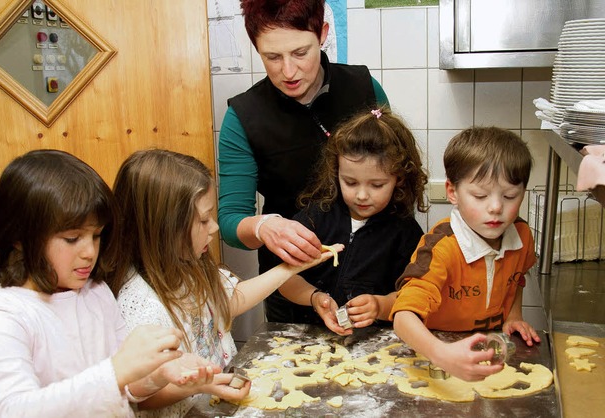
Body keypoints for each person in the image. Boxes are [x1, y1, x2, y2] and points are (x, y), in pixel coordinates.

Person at [0, 150, 219, 418]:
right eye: (73, 238)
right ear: (19, 237)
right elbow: (11, 411)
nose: (89, 252)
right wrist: (117, 370)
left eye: (96, 235)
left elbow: (122, 389)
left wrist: (155, 376)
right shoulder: (0, 318)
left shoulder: (95, 293)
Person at [109, 149, 342, 417]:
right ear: (163, 227)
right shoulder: (141, 305)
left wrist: (290, 268)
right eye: (204, 220)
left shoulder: (189, 266)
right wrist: (203, 385)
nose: (215, 228)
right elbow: (142, 396)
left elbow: (230, 300)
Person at [217, 0, 390, 323]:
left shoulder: (365, 89)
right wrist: (264, 225)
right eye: (272, 57)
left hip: (373, 286)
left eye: (300, 53)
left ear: (322, 34)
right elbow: (229, 221)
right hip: (292, 287)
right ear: (256, 46)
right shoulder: (243, 116)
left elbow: (395, 173)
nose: (289, 71)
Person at [391, 127, 542, 382]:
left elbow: (518, 278)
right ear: (453, 192)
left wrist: (514, 316)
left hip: (487, 350)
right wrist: (441, 354)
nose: (496, 208)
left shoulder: (522, 235)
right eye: (480, 196)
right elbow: (403, 316)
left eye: (509, 196)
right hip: (436, 350)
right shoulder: (441, 247)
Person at [278, 107, 428, 336]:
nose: (361, 195)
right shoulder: (316, 216)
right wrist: (314, 297)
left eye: (376, 185)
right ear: (336, 171)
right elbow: (283, 279)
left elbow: (415, 294)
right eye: (350, 182)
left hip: (377, 343)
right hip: (311, 338)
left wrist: (380, 306)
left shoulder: (404, 231)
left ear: (398, 178)